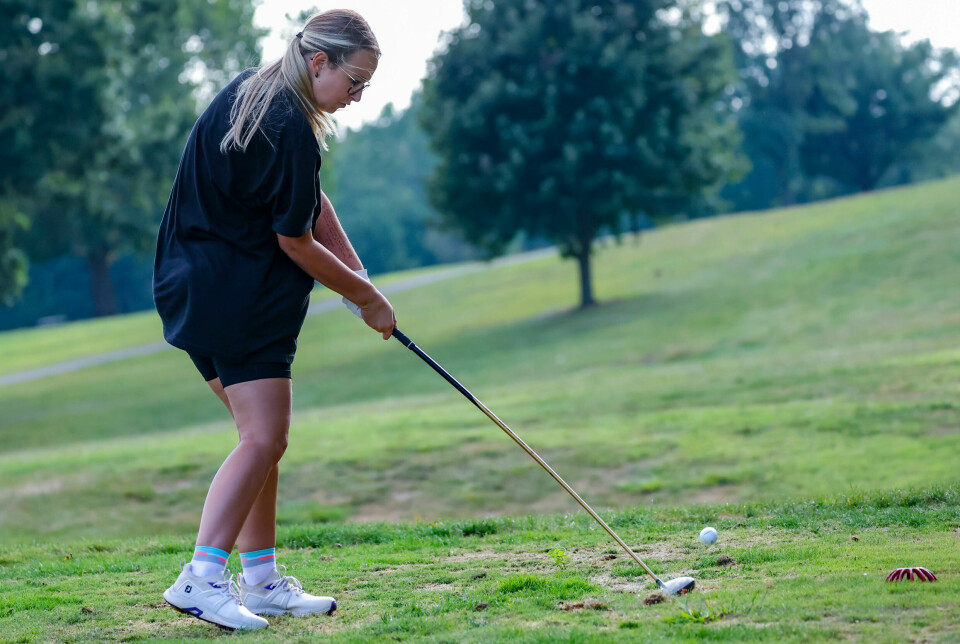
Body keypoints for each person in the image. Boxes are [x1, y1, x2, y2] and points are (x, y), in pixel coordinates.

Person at [152, 10, 394, 630]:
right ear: (320, 62)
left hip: (191, 287)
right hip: (240, 297)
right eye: (355, 81)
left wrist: (357, 275)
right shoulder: (288, 124)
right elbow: (294, 240)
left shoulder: (253, 92)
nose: (357, 96)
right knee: (264, 438)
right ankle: (201, 578)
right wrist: (366, 299)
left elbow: (309, 200)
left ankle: (259, 579)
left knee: (259, 442)